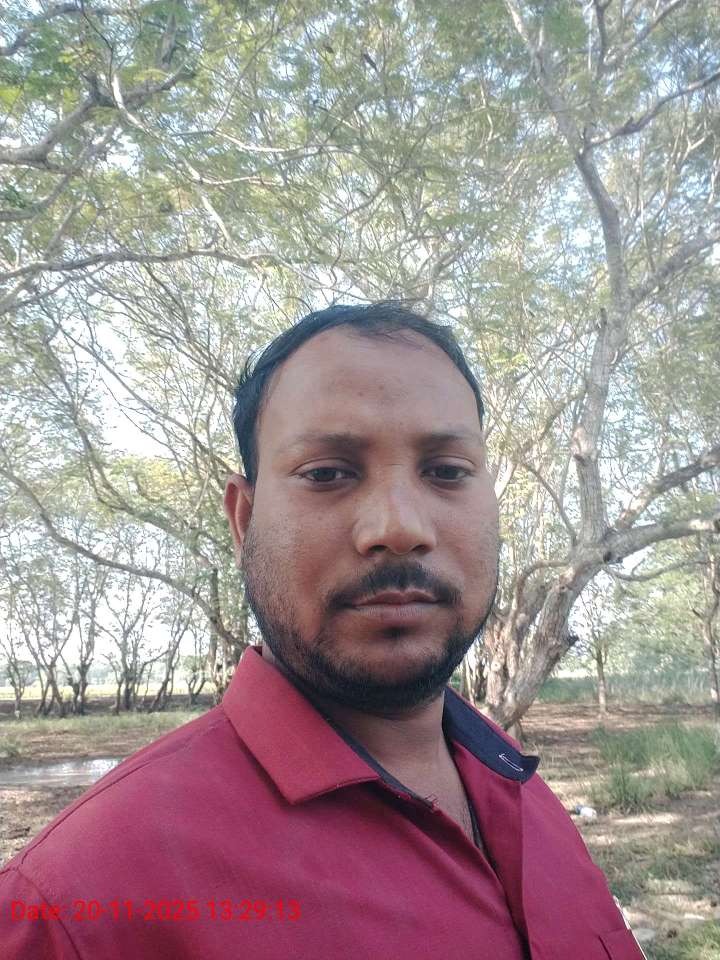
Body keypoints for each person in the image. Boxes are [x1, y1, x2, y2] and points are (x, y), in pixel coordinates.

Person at [0, 302, 645, 959]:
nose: (399, 527)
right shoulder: (72, 907)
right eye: (327, 474)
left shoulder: (520, 788)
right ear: (244, 521)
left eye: (447, 472)